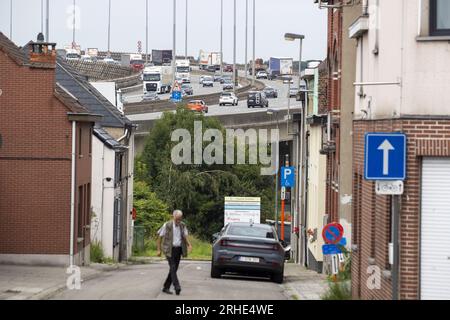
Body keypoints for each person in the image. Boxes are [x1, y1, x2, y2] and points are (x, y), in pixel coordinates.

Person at [156, 210, 192, 295]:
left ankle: (166, 287)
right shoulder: (167, 225)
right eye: (177, 219)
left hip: (178, 250)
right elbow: (159, 237)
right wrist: (158, 249)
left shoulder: (182, 225)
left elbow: (184, 236)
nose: (178, 221)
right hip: (169, 250)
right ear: (173, 217)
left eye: (180, 219)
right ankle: (177, 286)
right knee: (172, 267)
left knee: (174, 269)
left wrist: (189, 245)